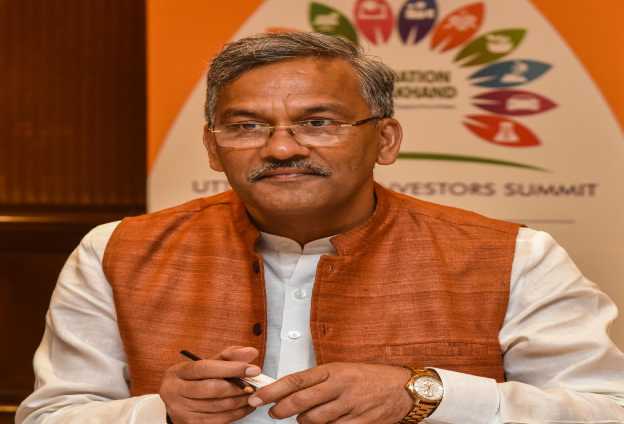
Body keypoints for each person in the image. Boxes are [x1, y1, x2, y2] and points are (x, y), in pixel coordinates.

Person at [16, 32, 624, 424]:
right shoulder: (117, 251)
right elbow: (49, 416)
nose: (282, 148)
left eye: (318, 122)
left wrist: (425, 394)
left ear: (385, 140)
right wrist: (162, 413)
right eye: (246, 126)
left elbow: (607, 409)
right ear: (212, 147)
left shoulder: (514, 255)